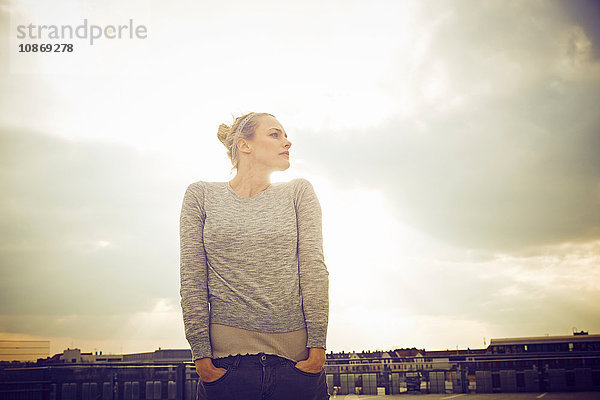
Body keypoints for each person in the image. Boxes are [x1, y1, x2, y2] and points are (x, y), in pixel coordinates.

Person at [179, 112, 330, 400]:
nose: (287, 142)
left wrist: (316, 354)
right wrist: (203, 361)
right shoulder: (201, 196)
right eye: (275, 134)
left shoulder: (299, 192)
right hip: (225, 369)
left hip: (297, 367)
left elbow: (313, 271)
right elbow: (193, 279)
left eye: (285, 136)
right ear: (244, 145)